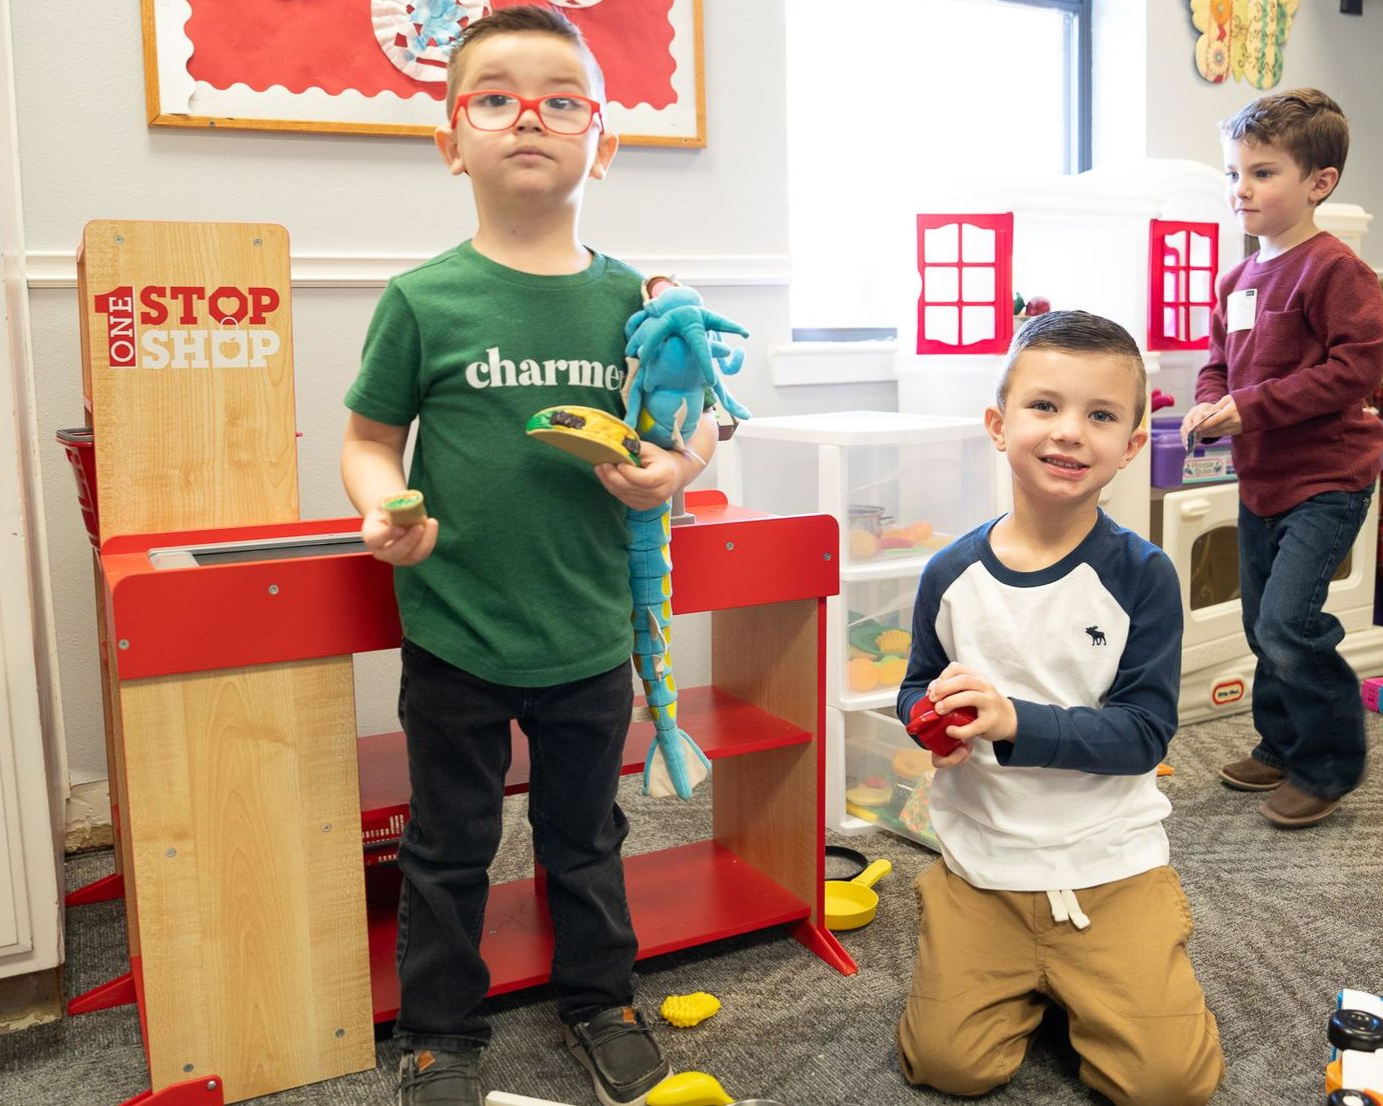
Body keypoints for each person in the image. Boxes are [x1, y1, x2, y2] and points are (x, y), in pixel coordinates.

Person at [340, 7, 718, 1105]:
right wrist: (384, 508)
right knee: (448, 846)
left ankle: (602, 999)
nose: (528, 118)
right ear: (450, 140)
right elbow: (370, 441)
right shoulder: (423, 299)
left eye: (561, 99)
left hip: (591, 630)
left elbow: (694, 420)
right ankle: (441, 1033)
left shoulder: (642, 299)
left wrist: (675, 470)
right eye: (494, 97)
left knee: (585, 834)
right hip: (457, 629)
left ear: (603, 139)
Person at [895, 311, 1224, 1106]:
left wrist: (1011, 720)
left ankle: (1118, 960)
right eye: (1044, 406)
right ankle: (1013, 965)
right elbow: (917, 683)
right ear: (998, 425)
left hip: (1107, 861)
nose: (1070, 432)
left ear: (1133, 445)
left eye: (1101, 415)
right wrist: (925, 721)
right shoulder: (948, 572)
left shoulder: (1142, 576)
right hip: (985, 863)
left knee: (1166, 1087)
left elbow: (1144, 733)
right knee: (948, 1067)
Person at [1181, 88, 1383, 827]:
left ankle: (1326, 764)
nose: (1241, 190)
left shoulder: (1336, 272)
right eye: (1234, 173)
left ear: (1317, 184)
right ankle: (1278, 741)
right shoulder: (1235, 280)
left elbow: (1354, 369)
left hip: (1327, 477)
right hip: (1260, 478)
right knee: (1260, 621)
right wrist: (1209, 403)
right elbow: (1218, 365)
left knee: (1288, 622)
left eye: (1261, 173)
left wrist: (1251, 406)